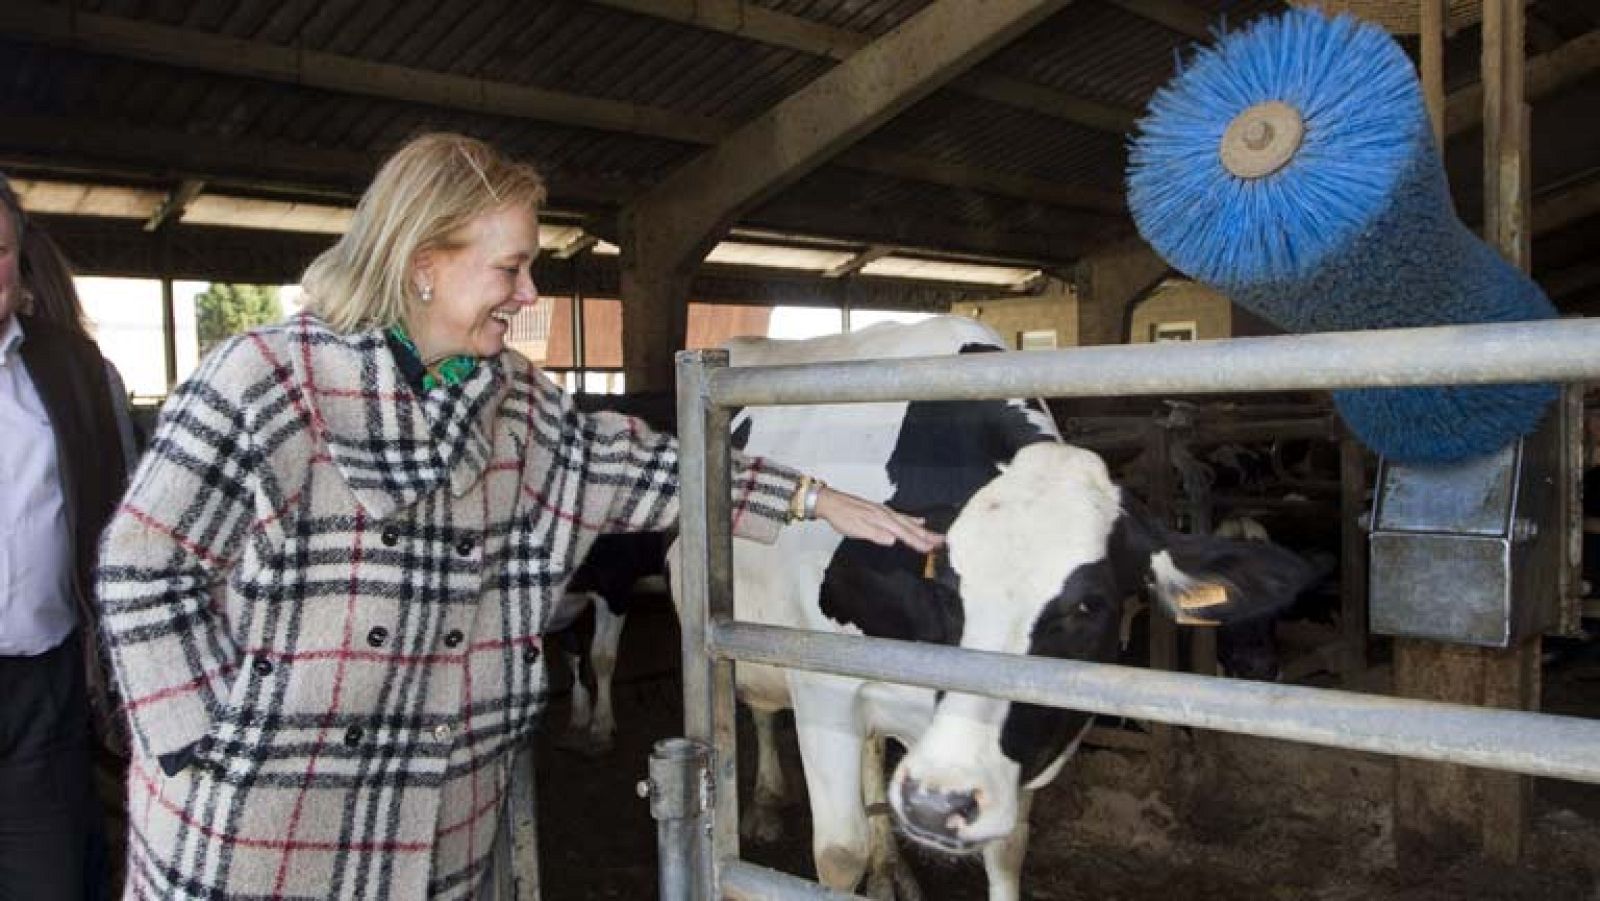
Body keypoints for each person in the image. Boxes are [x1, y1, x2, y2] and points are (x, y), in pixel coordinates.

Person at [96, 132, 941, 900]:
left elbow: (643, 466)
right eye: (511, 268)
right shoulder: (262, 381)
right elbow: (145, 565)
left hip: (439, 834)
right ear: (425, 261)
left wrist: (809, 497)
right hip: (263, 834)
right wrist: (208, 741)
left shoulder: (516, 406)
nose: (530, 291)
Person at [0, 176, 130, 900]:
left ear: (19, 257)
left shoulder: (71, 368)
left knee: (49, 878)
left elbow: (114, 513)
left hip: (39, 687)